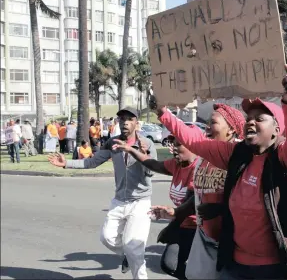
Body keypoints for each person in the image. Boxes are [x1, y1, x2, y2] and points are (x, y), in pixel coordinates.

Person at [150, 65, 287, 279]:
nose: (251, 121)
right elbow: (195, 141)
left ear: (277, 131)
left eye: (260, 118)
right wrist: (163, 114)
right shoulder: (236, 153)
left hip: (279, 265)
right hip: (237, 263)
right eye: (249, 117)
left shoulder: (285, 158)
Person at [48, 107, 157, 279]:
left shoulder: (146, 144)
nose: (125, 123)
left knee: (134, 247)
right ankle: (129, 256)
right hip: (120, 200)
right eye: (122, 119)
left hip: (140, 202)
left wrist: (143, 155)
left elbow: (151, 173)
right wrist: (67, 164)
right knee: (107, 238)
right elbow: (92, 162)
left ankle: (137, 269)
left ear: (136, 122)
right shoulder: (112, 143)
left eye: (129, 119)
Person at [150, 104, 246, 279]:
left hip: (231, 242)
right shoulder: (204, 158)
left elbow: (249, 201)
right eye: (207, 122)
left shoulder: (237, 156)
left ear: (231, 129)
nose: (207, 126)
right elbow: (196, 194)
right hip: (204, 237)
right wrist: (176, 212)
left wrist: (164, 113)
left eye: (213, 122)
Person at [114, 127, 202, 279]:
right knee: (169, 265)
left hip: (198, 228)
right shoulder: (177, 165)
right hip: (183, 224)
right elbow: (154, 164)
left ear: (193, 145)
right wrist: (131, 150)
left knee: (183, 266)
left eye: (178, 144)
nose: (173, 148)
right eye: (173, 144)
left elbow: (190, 205)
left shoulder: (198, 169)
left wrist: (170, 226)